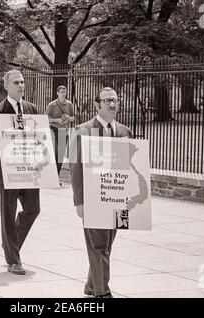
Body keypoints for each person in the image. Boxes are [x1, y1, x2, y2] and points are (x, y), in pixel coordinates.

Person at [70, 87, 133, 298]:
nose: (113, 104)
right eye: (107, 101)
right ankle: (101, 292)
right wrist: (79, 201)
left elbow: (130, 169)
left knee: (107, 245)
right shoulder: (82, 130)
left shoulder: (125, 132)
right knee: (98, 246)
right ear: (97, 105)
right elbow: (76, 167)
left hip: (117, 199)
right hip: (92, 199)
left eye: (115, 100)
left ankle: (90, 285)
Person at [0, 69, 40, 275]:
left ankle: (10, 244)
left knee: (33, 209)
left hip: (29, 171)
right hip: (8, 172)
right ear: (6, 86)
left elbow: (39, 138)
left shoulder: (32, 108)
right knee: (8, 216)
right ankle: (13, 260)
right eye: (17, 82)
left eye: (22, 82)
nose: (21, 86)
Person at [46, 85, 74, 178]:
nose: (63, 94)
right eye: (61, 92)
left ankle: (56, 174)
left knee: (61, 154)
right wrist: (57, 120)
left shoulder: (69, 104)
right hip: (54, 129)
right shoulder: (52, 105)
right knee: (54, 152)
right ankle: (51, 173)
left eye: (64, 92)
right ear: (57, 93)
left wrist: (68, 118)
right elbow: (46, 118)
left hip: (64, 130)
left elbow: (73, 118)